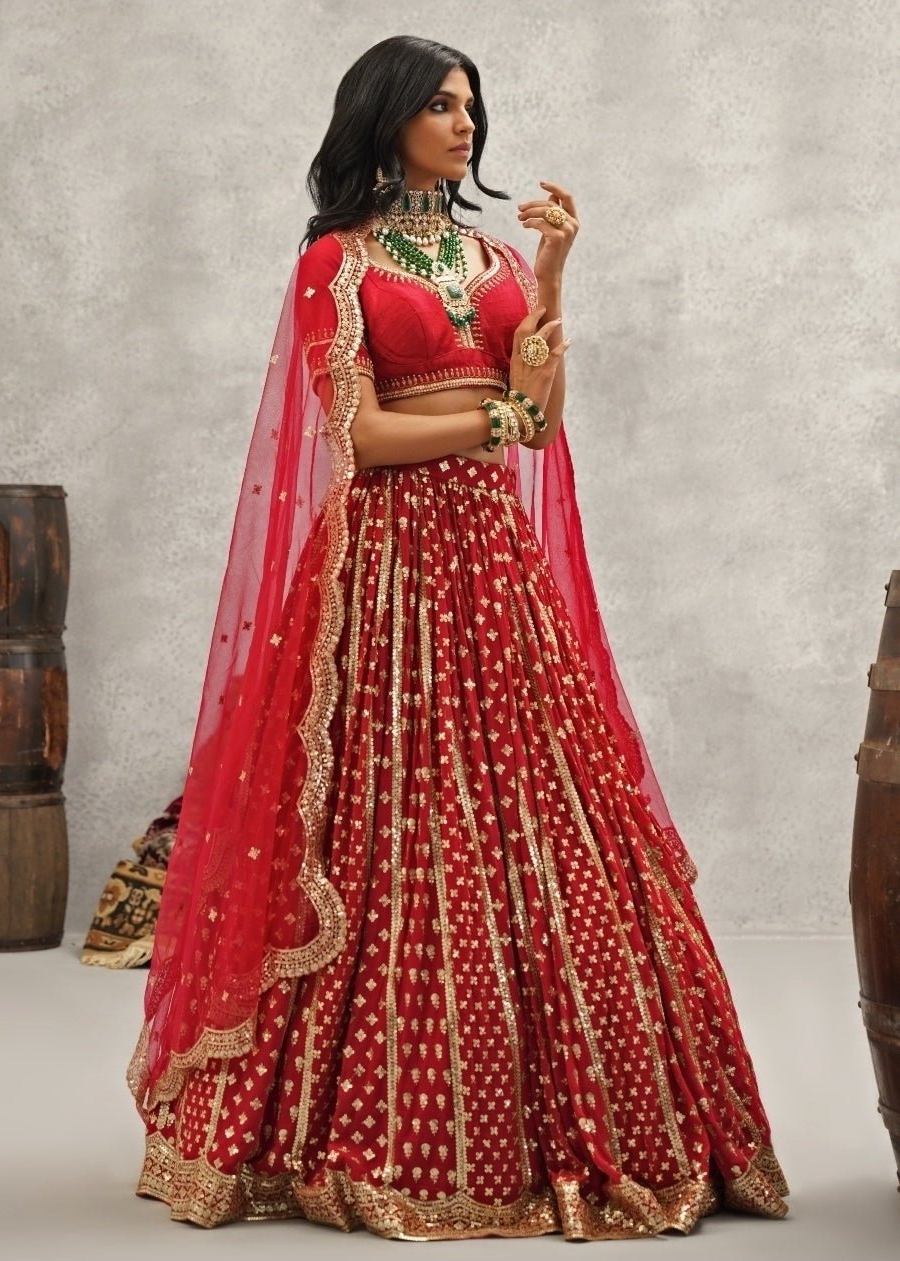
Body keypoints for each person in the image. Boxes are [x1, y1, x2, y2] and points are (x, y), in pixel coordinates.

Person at [126, 34, 789, 1241]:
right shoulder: (335, 261)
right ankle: (357, 1119)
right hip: (385, 571)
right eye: (439, 104)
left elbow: (536, 422)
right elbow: (362, 437)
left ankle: (565, 1114)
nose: (463, 123)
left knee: (543, 813)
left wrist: (553, 281)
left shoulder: (495, 258)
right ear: (385, 118)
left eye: (470, 104)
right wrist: (488, 415)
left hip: (490, 564)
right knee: (389, 821)